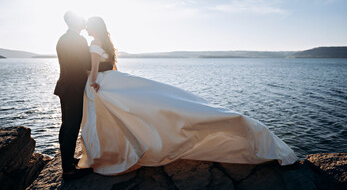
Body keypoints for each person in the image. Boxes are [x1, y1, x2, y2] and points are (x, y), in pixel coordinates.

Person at [78, 16, 298, 175]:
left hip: (102, 84)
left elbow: (95, 68)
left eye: (88, 25)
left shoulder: (95, 43)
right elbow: (112, 66)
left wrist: (95, 83)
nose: (86, 28)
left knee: (111, 121)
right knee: (151, 105)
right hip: (115, 79)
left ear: (94, 28)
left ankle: (113, 154)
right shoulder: (106, 43)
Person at [54, 12, 114, 181]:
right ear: (74, 21)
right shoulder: (78, 40)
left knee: (66, 125)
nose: (84, 21)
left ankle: (67, 161)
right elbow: (87, 64)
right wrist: (108, 64)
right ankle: (68, 171)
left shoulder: (63, 38)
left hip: (64, 86)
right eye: (81, 19)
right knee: (72, 127)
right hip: (73, 88)